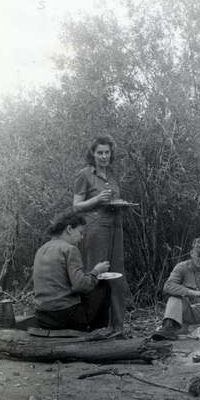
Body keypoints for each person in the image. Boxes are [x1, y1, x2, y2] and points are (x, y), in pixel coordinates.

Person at [73, 136, 127, 333]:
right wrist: (96, 199)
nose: (104, 156)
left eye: (107, 152)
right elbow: (76, 206)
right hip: (95, 229)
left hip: (115, 227)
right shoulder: (85, 175)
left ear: (111, 154)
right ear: (93, 154)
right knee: (97, 275)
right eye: (100, 153)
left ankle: (118, 327)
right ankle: (96, 328)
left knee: (117, 278)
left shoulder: (113, 175)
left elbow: (117, 199)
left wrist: (118, 202)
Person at [33, 209, 111, 332]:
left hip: (43, 316)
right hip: (65, 317)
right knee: (103, 286)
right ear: (69, 229)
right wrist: (96, 271)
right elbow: (81, 285)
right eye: (80, 232)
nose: (82, 237)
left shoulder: (42, 249)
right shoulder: (70, 250)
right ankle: (97, 336)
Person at [152, 238, 200, 340]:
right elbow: (168, 286)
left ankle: (185, 328)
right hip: (188, 312)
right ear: (191, 253)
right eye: (199, 255)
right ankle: (168, 328)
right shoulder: (181, 267)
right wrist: (194, 293)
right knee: (174, 298)